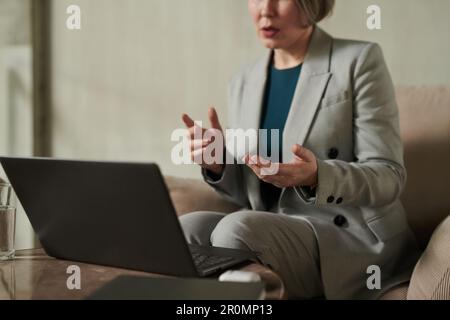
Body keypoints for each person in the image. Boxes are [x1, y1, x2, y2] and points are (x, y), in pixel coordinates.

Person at [180, 0, 419, 299]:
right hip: (269, 227)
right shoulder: (244, 80)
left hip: (346, 236)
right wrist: (218, 165)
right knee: (183, 230)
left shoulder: (359, 60)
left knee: (236, 229)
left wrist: (317, 176)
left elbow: (389, 176)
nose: (265, 10)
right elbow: (252, 194)